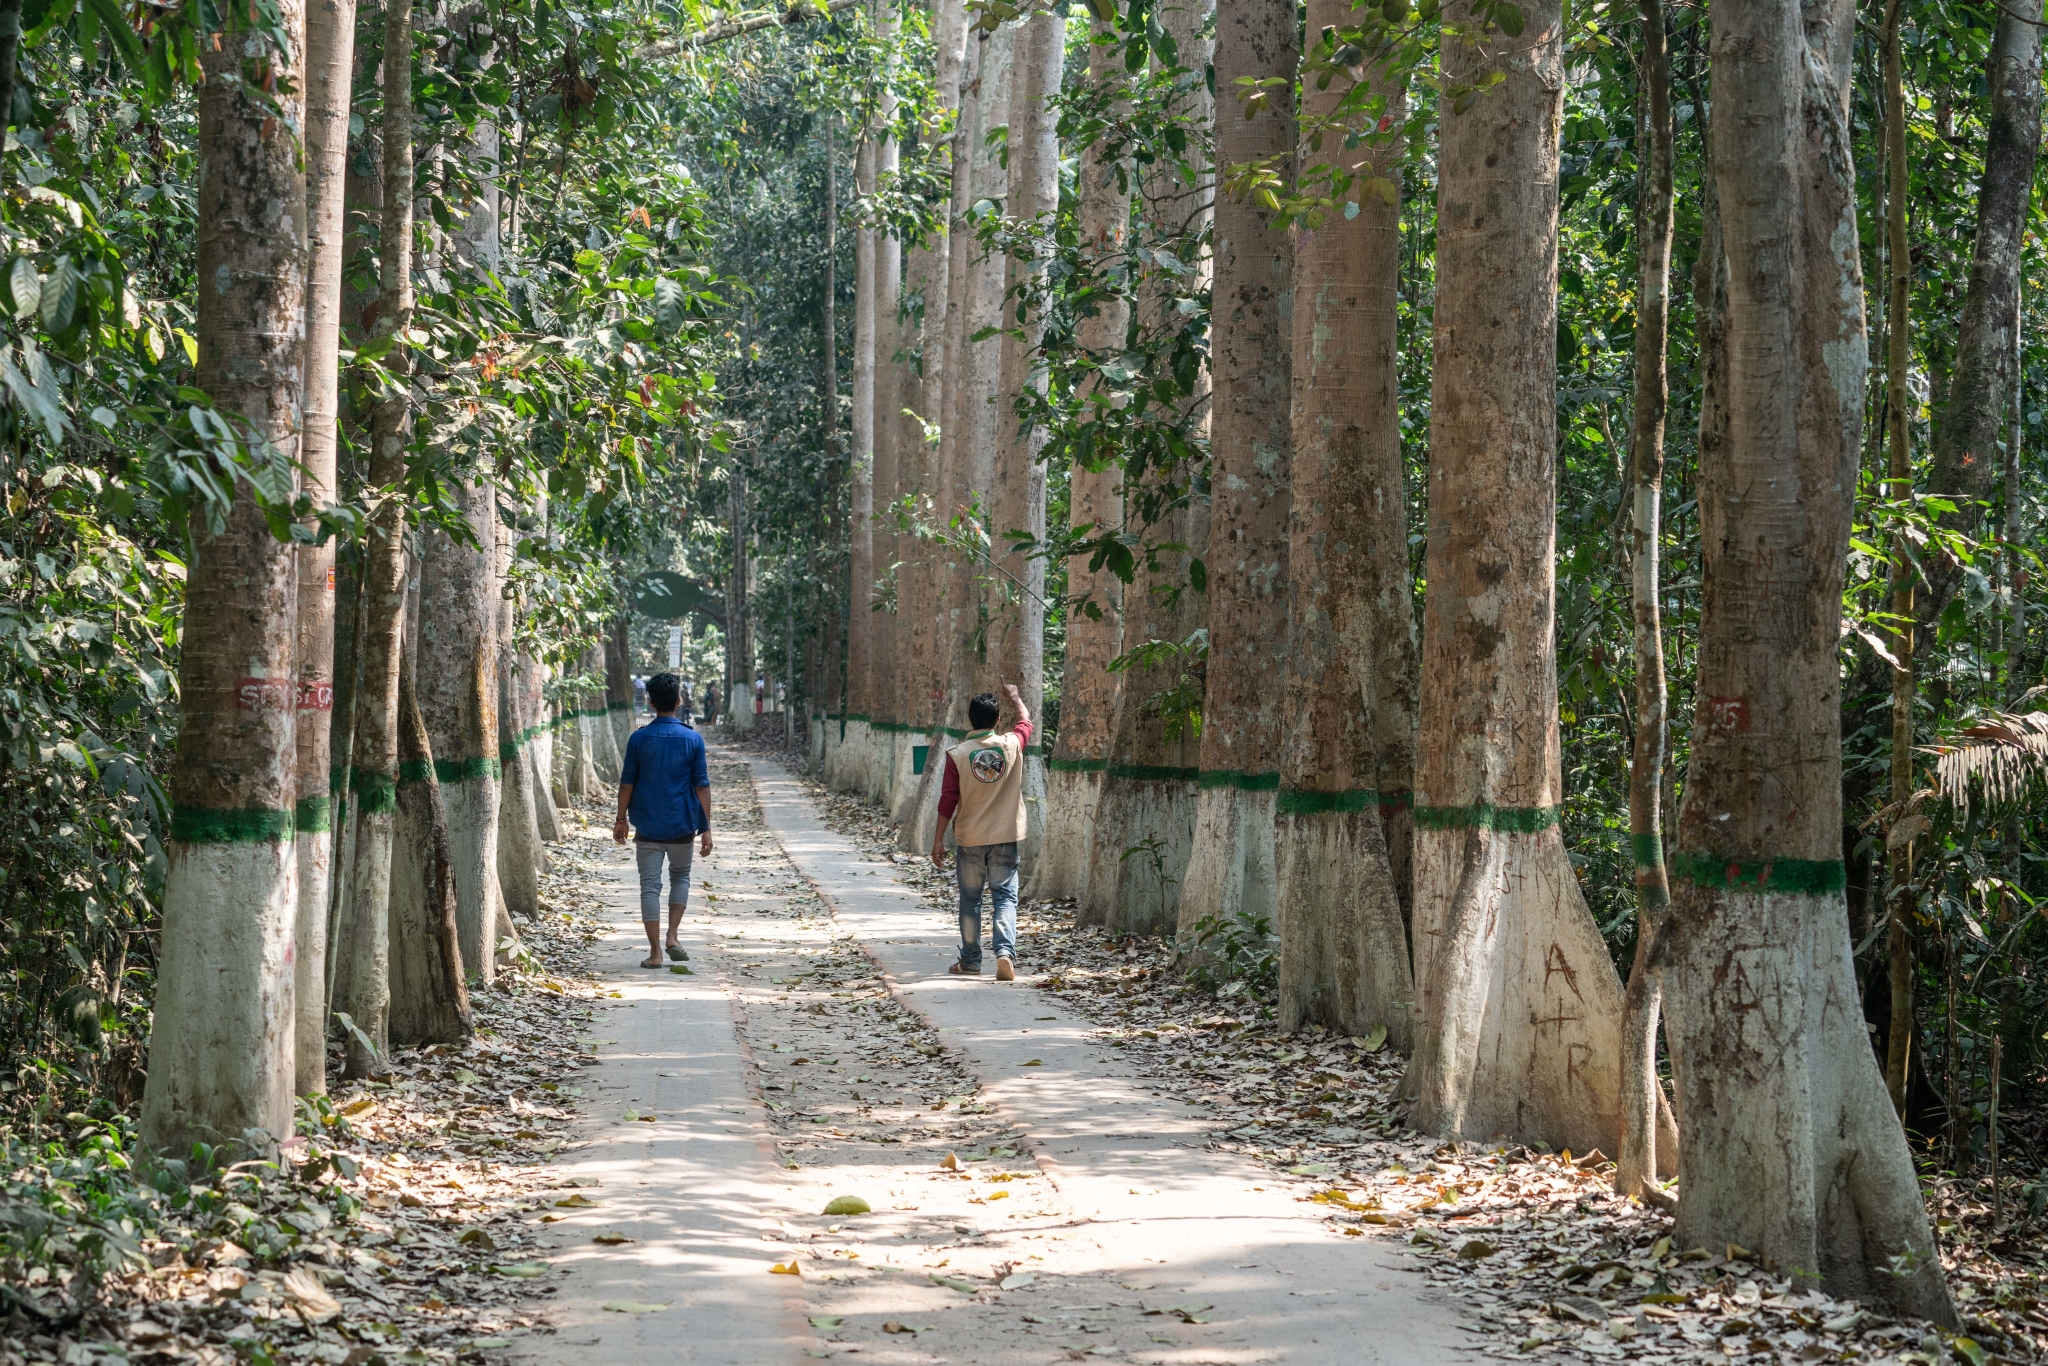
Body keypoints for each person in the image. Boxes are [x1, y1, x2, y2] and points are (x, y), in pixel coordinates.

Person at [930, 682, 1032, 981]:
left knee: (970, 900)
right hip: (1005, 837)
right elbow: (1026, 722)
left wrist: (938, 839)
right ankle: (1004, 953)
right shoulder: (1011, 745)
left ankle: (971, 960)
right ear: (997, 720)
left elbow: (948, 799)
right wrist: (1015, 697)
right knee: (1005, 898)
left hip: (970, 839)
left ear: (970, 719)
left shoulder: (958, 754)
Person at [613, 671, 713, 968]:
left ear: (652, 702)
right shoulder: (693, 739)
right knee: (680, 877)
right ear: (679, 701)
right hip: (683, 825)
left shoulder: (639, 739)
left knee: (649, 887)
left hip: (648, 827)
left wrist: (621, 819)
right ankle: (672, 935)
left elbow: (627, 784)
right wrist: (706, 828)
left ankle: (655, 954)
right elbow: (702, 786)